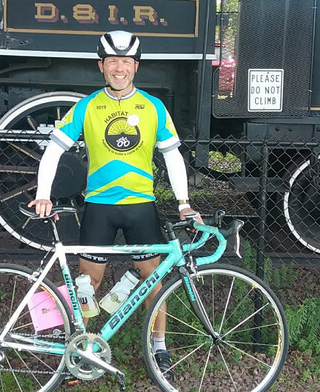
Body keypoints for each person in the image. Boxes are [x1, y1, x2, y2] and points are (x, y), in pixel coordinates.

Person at [28, 30, 201, 383]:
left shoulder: (153, 107)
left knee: (154, 281)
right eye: (112, 62)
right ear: (101, 67)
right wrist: (43, 193)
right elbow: (54, 149)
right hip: (99, 208)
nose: (119, 68)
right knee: (86, 284)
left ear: (135, 67)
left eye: (125, 62)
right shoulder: (88, 106)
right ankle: (78, 351)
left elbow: (173, 156)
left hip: (141, 206)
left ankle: (160, 347)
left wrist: (184, 204)